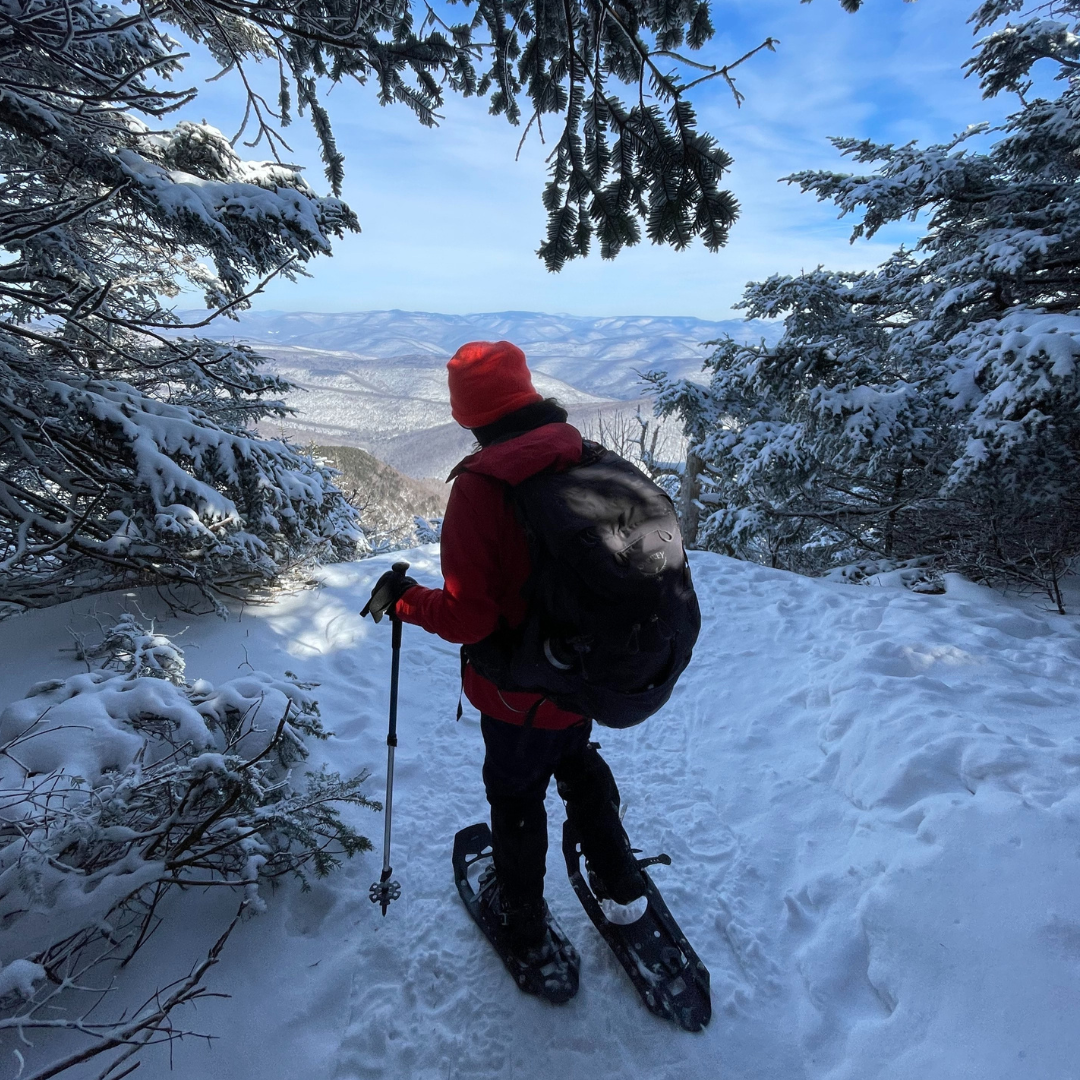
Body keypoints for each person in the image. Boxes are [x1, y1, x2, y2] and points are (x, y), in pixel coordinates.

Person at [361, 339, 645, 964]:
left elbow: (469, 616)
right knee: (574, 758)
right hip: (585, 675)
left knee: (516, 795)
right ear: (530, 394)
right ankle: (621, 879)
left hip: (519, 691)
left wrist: (406, 601)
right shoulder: (585, 456)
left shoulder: (483, 490)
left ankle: (521, 914)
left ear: (468, 415)